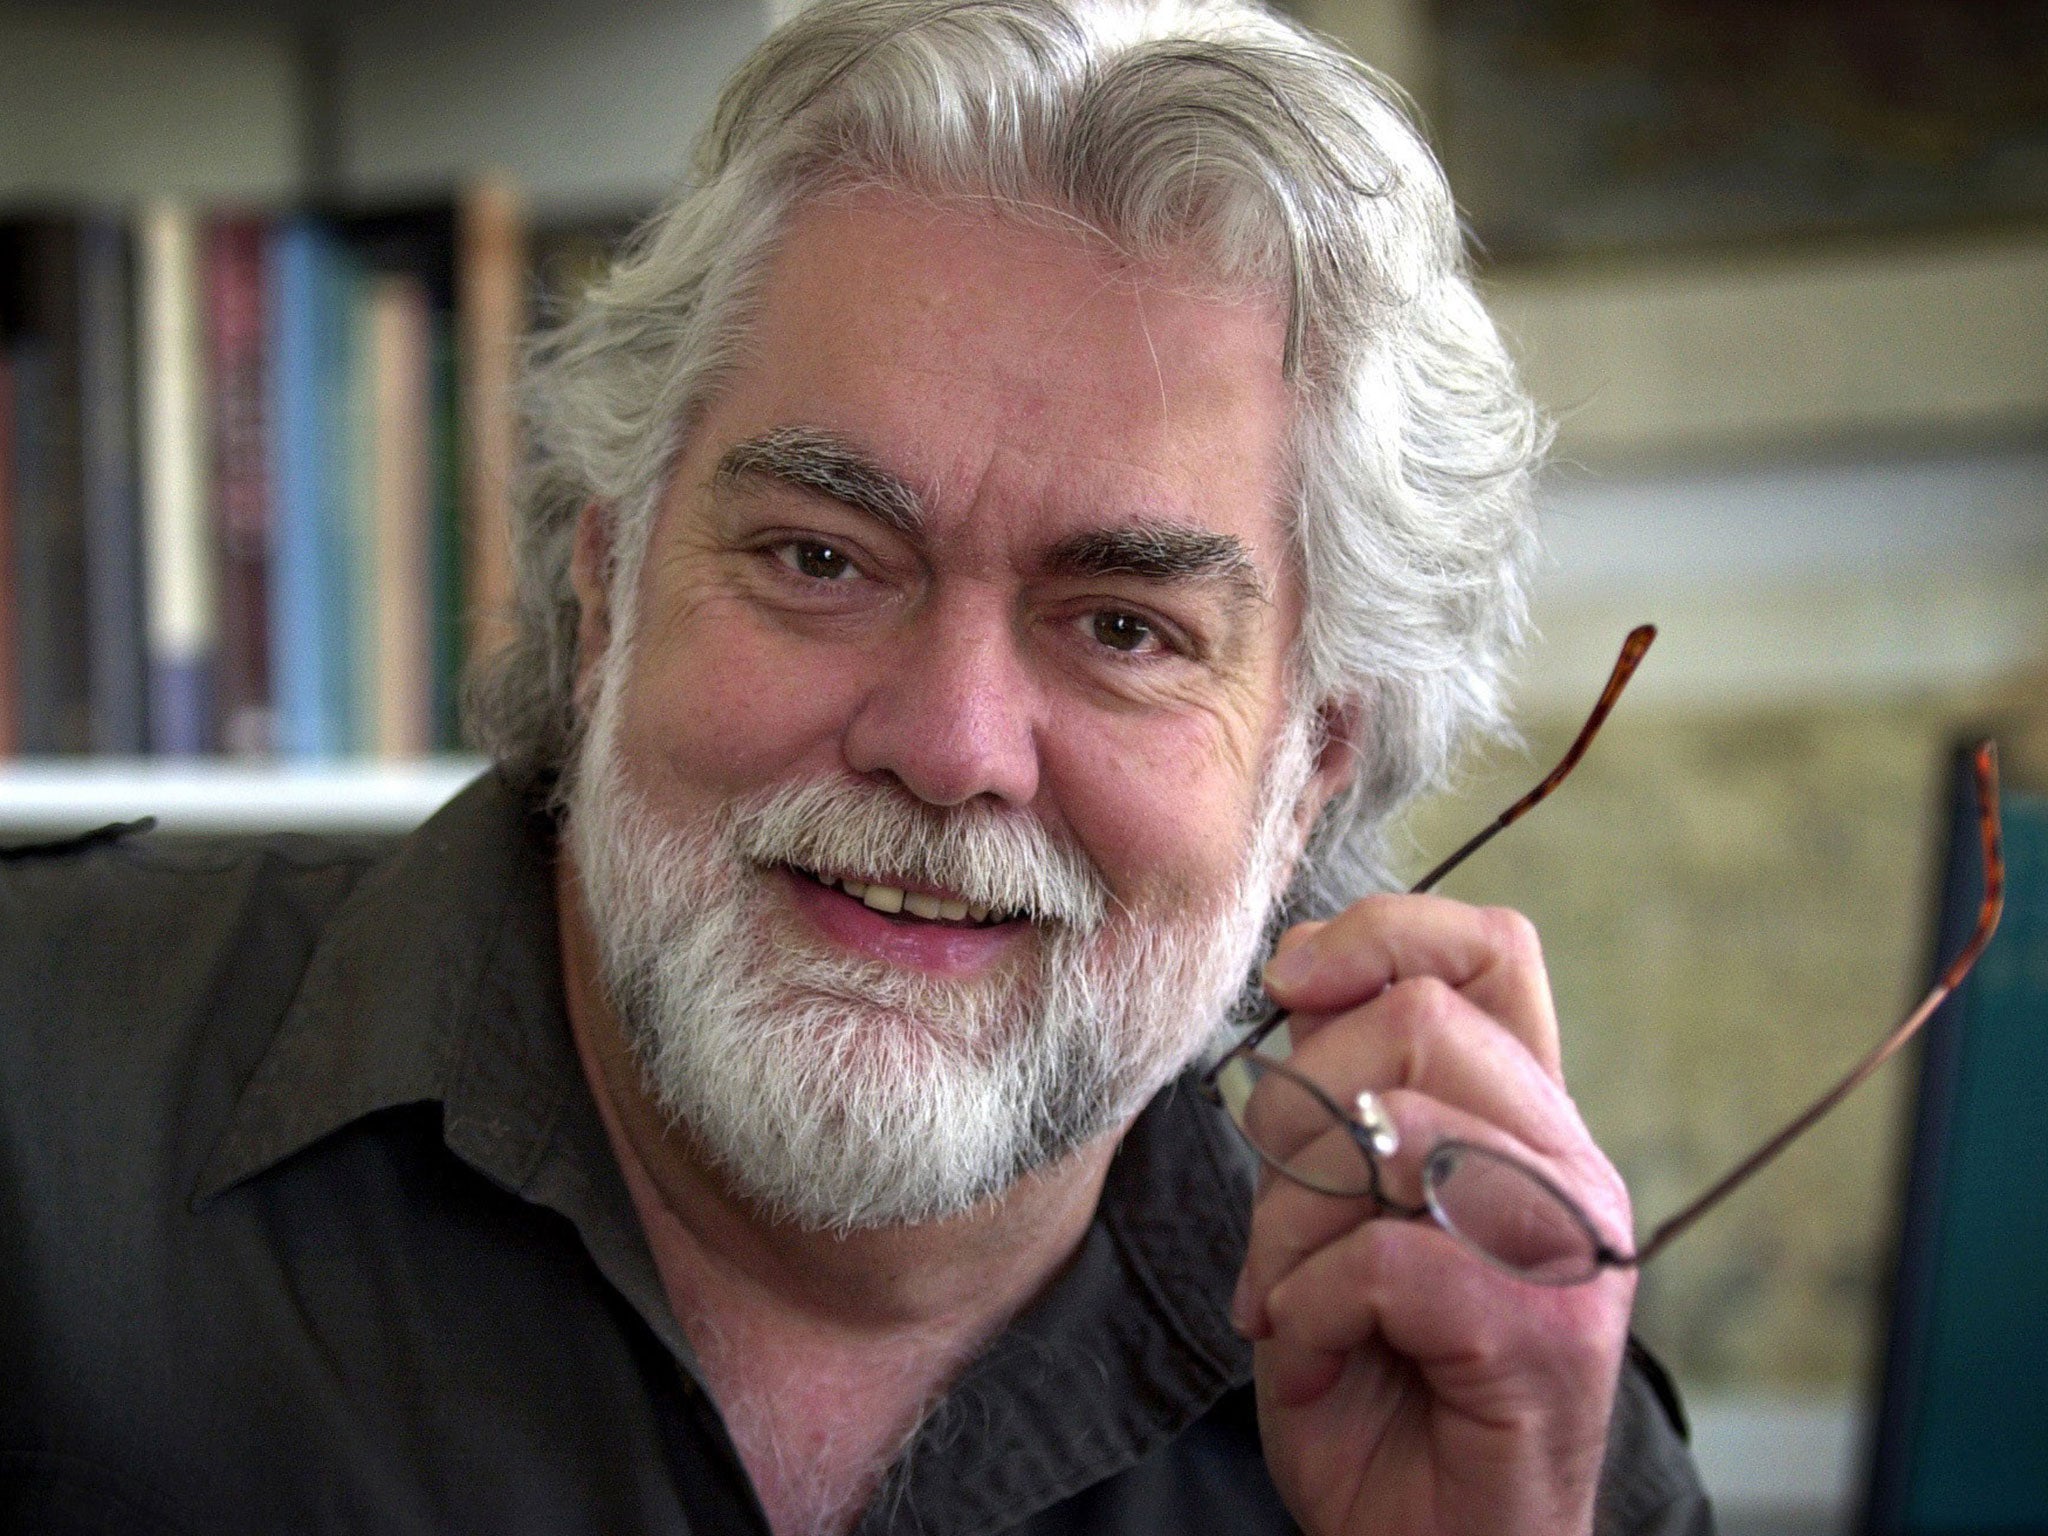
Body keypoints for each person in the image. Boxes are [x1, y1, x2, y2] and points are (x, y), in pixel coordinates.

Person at [0, 0, 1712, 1530]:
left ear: (1313, 767)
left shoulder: (1500, 1408)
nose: (948, 746)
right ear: (607, 591)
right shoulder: (35, 1105)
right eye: (821, 558)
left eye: (1125, 629)